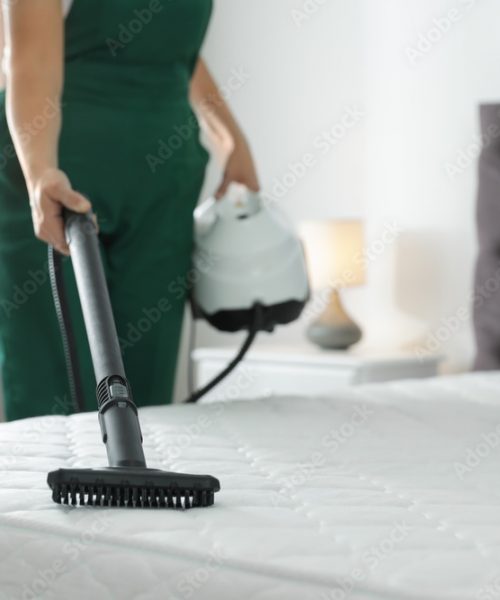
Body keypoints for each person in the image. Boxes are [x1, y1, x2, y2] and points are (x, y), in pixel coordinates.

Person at [0, 0, 259, 421]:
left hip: (164, 178)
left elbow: (175, 55)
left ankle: (142, 485)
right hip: (62, 172)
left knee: (148, 378)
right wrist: (40, 171)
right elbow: (28, 55)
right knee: (54, 380)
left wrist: (231, 137)